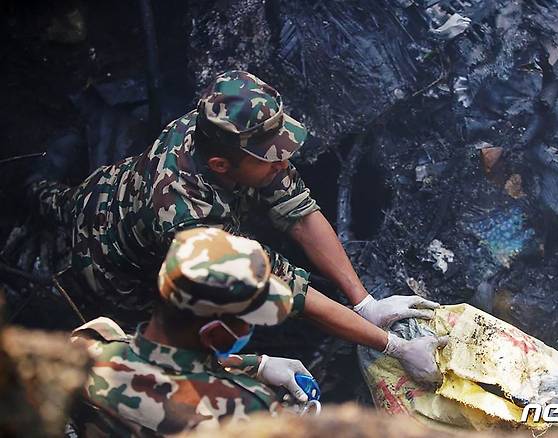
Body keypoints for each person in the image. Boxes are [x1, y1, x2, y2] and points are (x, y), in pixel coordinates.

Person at [34, 70, 443, 383]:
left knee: (54, 199)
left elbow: (298, 209)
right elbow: (284, 290)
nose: (283, 164)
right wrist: (394, 347)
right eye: (270, 158)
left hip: (109, 188)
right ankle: (30, 194)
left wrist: (364, 303)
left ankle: (37, 188)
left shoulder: (219, 128)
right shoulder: (189, 221)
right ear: (220, 166)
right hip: (112, 267)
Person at [72, 227, 319, 435]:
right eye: (248, 320)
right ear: (212, 333)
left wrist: (257, 365)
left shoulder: (87, 346)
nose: (251, 327)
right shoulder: (247, 412)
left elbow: (164, 367)